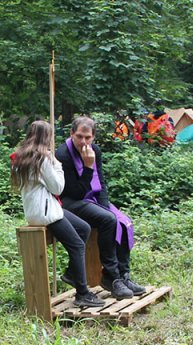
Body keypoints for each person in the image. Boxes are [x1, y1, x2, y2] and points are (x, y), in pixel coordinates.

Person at [11, 120, 105, 309]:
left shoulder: (22, 156)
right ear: (47, 137)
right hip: (46, 212)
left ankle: (72, 273)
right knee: (77, 244)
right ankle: (82, 293)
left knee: (83, 228)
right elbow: (58, 187)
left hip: (42, 208)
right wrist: (56, 164)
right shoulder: (42, 159)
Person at [56, 116, 148, 300]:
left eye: (87, 137)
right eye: (79, 136)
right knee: (108, 219)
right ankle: (111, 277)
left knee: (123, 221)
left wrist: (105, 206)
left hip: (91, 198)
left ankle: (124, 275)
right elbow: (73, 192)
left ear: (93, 137)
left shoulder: (94, 150)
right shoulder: (63, 154)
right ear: (72, 134)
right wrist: (88, 167)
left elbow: (102, 184)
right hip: (69, 202)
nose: (83, 141)